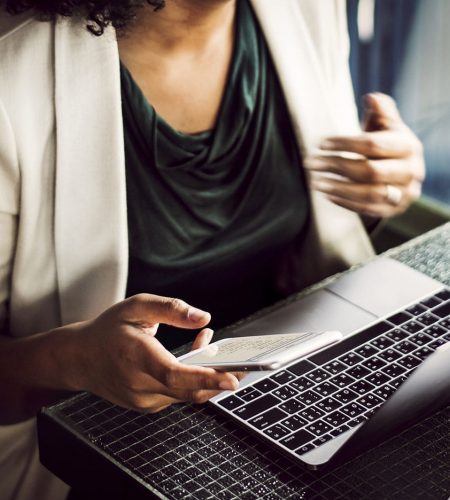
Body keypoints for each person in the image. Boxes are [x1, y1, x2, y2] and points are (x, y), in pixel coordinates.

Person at [0, 0, 425, 499]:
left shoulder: (307, 8)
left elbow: (302, 233)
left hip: (285, 397)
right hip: (95, 450)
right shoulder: (11, 76)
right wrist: (72, 360)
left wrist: (376, 190)